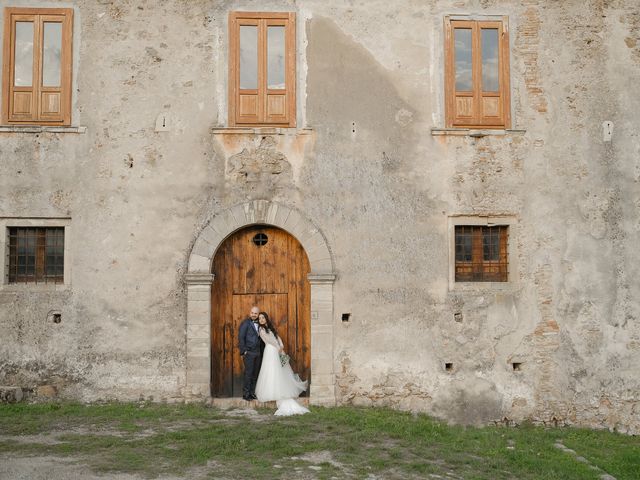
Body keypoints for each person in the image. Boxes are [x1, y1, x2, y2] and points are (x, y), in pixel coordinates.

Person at [255, 312, 310, 416]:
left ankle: (282, 389)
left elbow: (277, 337)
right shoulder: (261, 329)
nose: (261, 319)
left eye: (263, 317)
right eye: (260, 318)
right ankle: (272, 391)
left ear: (266, 318)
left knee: (281, 370)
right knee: (272, 371)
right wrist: (277, 346)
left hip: (278, 350)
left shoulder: (270, 328)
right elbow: (269, 340)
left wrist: (281, 345)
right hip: (271, 351)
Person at [238, 306, 263, 401]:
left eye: (256, 313)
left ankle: (252, 393)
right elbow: (241, 337)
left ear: (258, 314)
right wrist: (243, 351)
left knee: (255, 374)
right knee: (248, 374)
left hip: (257, 352)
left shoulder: (260, 323)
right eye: (252, 312)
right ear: (250, 313)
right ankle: (246, 394)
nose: (254, 314)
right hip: (249, 352)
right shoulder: (245, 323)